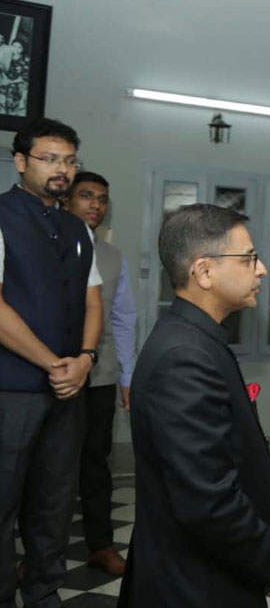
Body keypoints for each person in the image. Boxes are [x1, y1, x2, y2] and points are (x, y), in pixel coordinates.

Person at [117, 204, 270, 607]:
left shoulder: (196, 339)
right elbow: (206, 499)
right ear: (203, 271)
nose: (261, 270)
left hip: (211, 568)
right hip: (193, 583)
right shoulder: (184, 357)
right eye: (249, 258)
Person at [0, 118, 101, 608]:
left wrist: (85, 359)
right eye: (51, 159)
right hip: (12, 390)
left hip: (70, 389)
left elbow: (93, 301)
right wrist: (53, 364)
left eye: (70, 161)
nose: (63, 169)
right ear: (21, 162)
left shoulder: (78, 228)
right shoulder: (2, 216)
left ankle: (43, 593)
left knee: (55, 502)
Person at [61, 171, 136, 577]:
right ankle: (38, 555)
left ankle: (100, 546)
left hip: (100, 376)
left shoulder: (112, 257)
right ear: (67, 200)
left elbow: (123, 318)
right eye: (86, 196)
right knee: (46, 466)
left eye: (102, 199)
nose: (96, 205)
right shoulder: (47, 245)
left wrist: (127, 376)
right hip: (51, 374)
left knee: (95, 464)